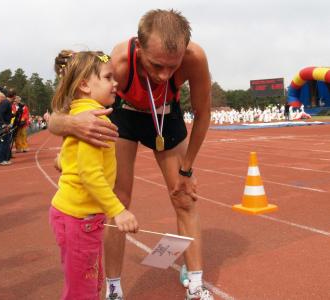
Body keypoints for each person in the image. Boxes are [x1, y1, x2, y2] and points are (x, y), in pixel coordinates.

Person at [49, 9, 212, 300]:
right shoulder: (120, 62)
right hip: (125, 116)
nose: (164, 76)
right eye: (156, 65)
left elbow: (202, 114)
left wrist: (186, 170)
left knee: (184, 196)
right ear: (139, 48)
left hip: (165, 116)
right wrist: (70, 129)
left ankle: (196, 284)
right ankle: (113, 287)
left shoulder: (195, 58)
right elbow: (63, 112)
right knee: (118, 199)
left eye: (172, 67)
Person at [49, 50, 139, 300]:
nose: (115, 84)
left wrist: (63, 160)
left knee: (88, 280)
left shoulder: (77, 114)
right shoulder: (96, 120)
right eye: (108, 77)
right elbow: (90, 175)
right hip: (80, 219)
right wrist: (118, 210)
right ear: (85, 85)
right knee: (83, 289)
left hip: (75, 215)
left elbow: (74, 157)